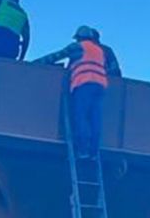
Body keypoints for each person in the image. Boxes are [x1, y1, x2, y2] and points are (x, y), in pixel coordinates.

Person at [35, 26, 121, 159]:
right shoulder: (100, 50)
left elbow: (55, 56)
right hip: (100, 86)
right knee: (95, 118)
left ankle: (83, 150)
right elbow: (114, 70)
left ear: (79, 38)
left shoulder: (78, 47)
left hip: (83, 84)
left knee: (81, 116)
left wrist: (35, 63)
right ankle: (93, 152)